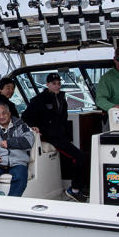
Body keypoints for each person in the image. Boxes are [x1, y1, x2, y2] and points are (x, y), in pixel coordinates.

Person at [22, 72, 89, 201]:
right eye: (54, 84)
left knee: (80, 156)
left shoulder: (62, 98)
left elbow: (63, 118)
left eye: (59, 83)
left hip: (60, 135)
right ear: (47, 85)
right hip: (50, 136)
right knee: (79, 156)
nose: (57, 86)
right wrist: (34, 127)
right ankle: (74, 190)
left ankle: (78, 187)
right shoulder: (39, 100)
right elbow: (25, 117)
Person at [0, 103, 33, 197]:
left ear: (9, 113)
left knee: (20, 178)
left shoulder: (21, 126)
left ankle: (10, 204)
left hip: (18, 162)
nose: (1, 117)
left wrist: (10, 142)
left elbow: (29, 141)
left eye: (4, 113)